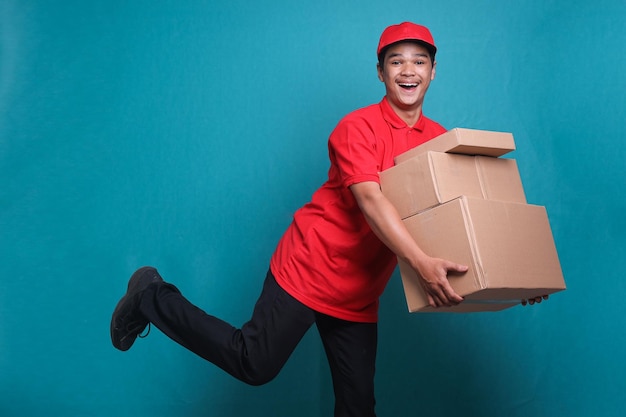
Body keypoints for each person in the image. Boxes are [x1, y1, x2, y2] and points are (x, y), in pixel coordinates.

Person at [111, 22, 545, 417]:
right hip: (310, 268)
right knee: (254, 364)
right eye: (396, 62)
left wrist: (513, 278)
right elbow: (372, 201)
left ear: (434, 72)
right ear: (380, 73)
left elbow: (459, 215)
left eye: (419, 61)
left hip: (359, 292)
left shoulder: (439, 140)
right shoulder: (355, 128)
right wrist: (420, 263)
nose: (408, 71)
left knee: (357, 408)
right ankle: (151, 295)